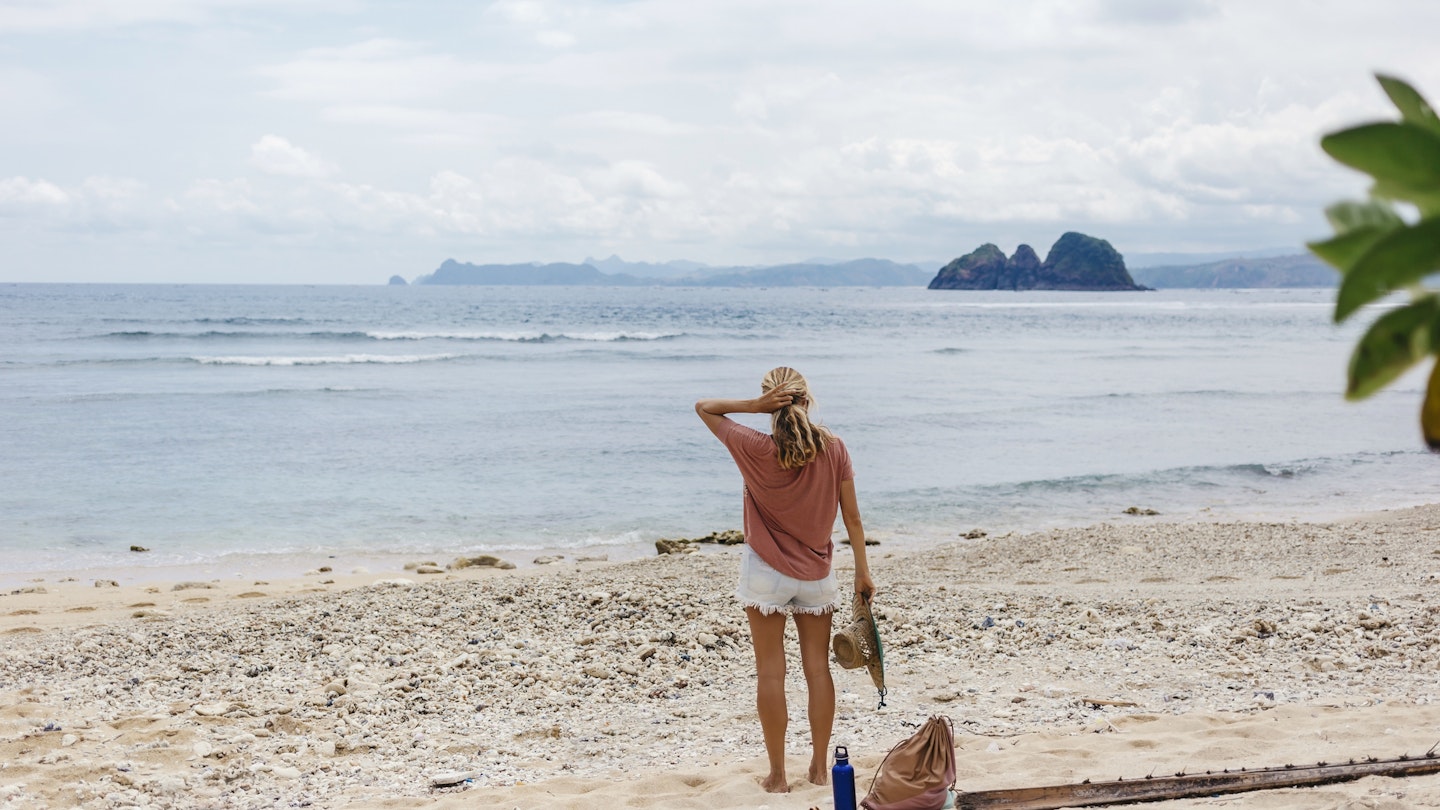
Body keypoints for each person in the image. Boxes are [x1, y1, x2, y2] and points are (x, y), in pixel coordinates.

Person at [695, 366, 876, 794]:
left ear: (771, 403)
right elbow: (852, 517)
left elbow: (704, 408)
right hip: (817, 575)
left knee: (770, 675)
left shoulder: (753, 445)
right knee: (817, 671)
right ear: (806, 399)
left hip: (765, 575)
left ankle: (777, 776)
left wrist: (752, 408)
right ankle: (817, 768)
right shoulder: (834, 448)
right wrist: (863, 573)